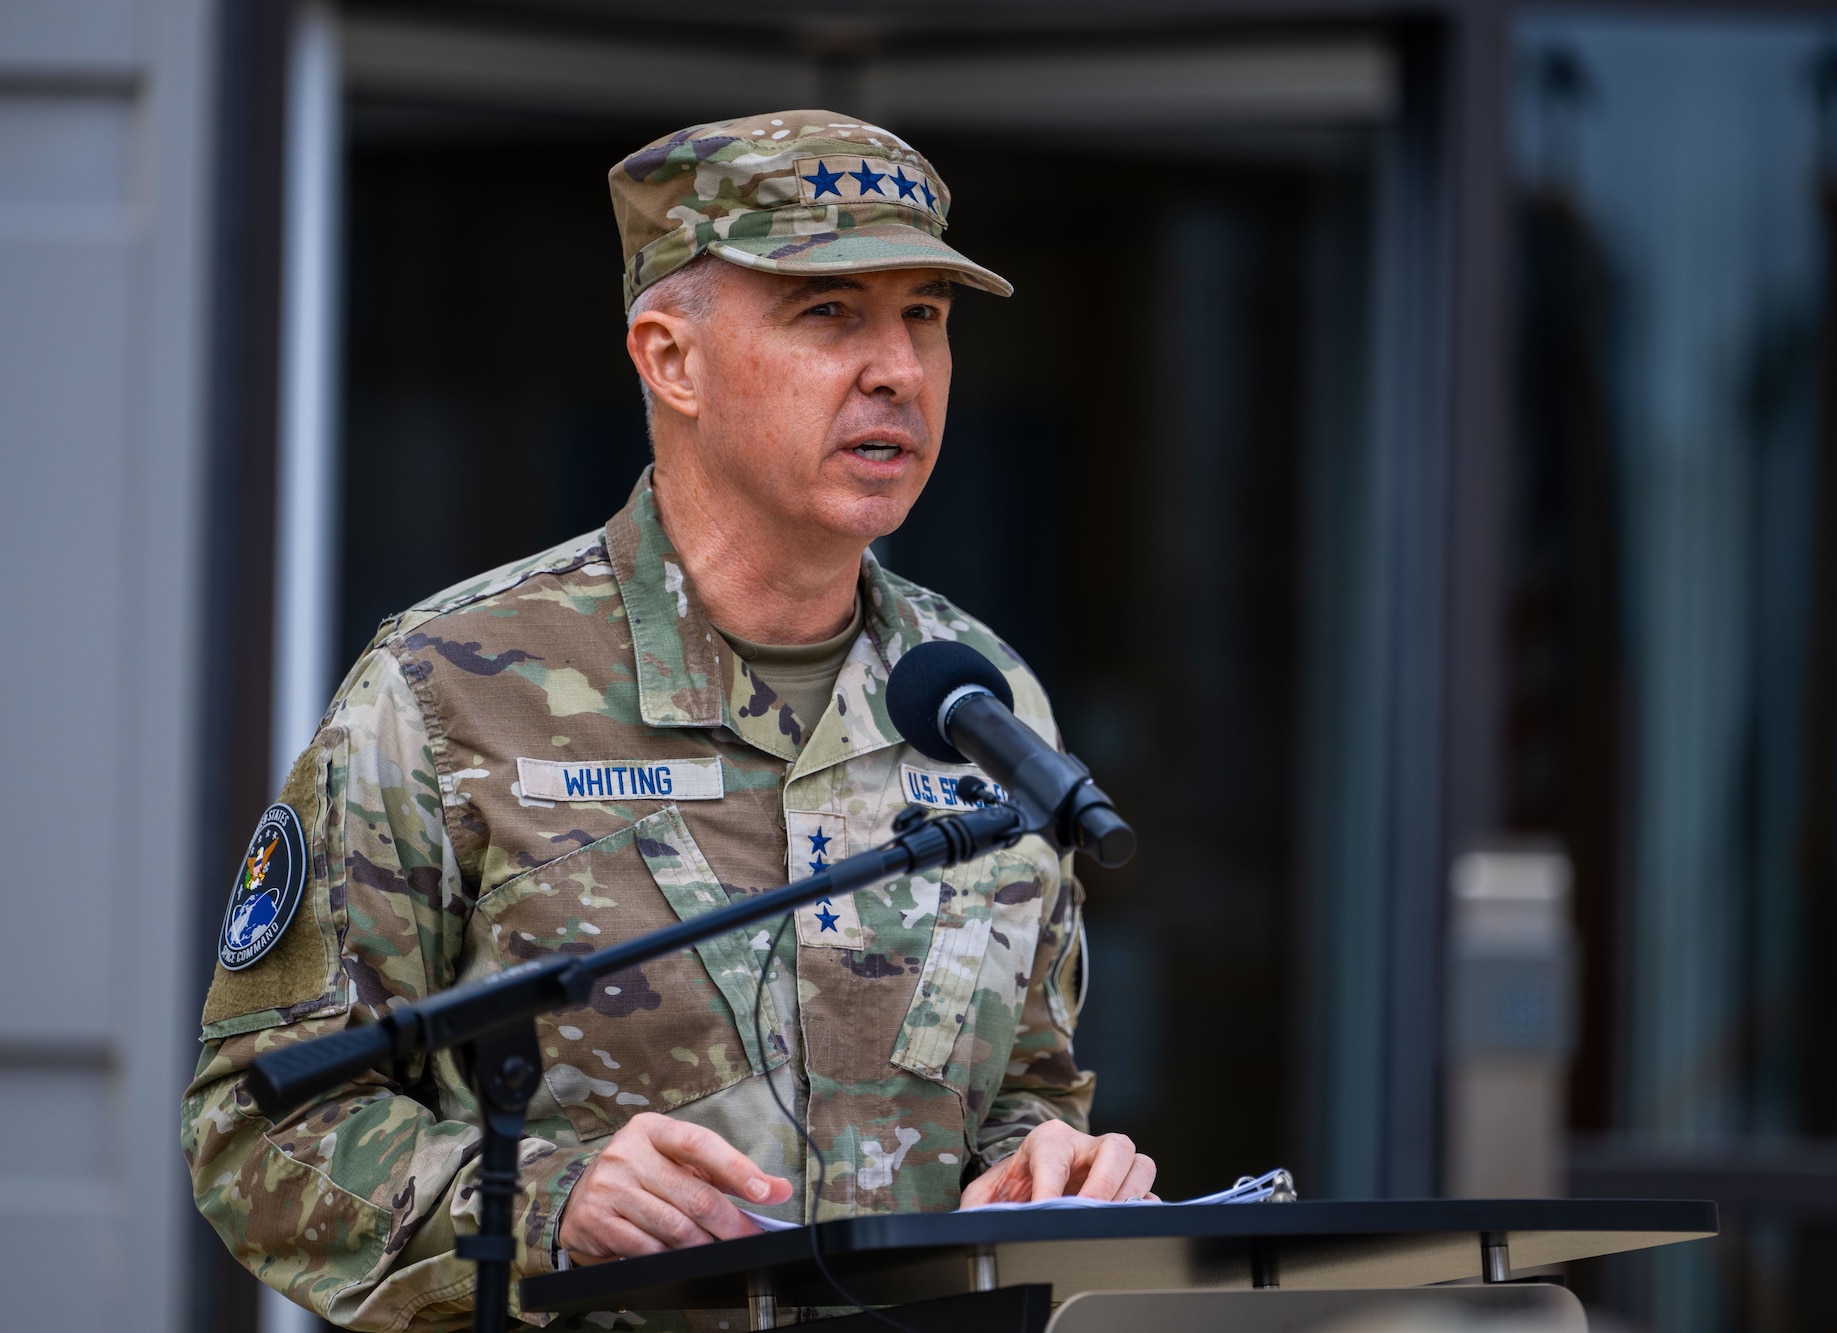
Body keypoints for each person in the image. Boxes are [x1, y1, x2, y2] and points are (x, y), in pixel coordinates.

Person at [183, 110, 1153, 1330]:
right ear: (669, 358)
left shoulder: (977, 700)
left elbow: (1024, 1083)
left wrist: (1045, 1168)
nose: (897, 369)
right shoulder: (452, 687)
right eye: (827, 313)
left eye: (925, 316)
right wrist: (544, 1202)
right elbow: (256, 1127)